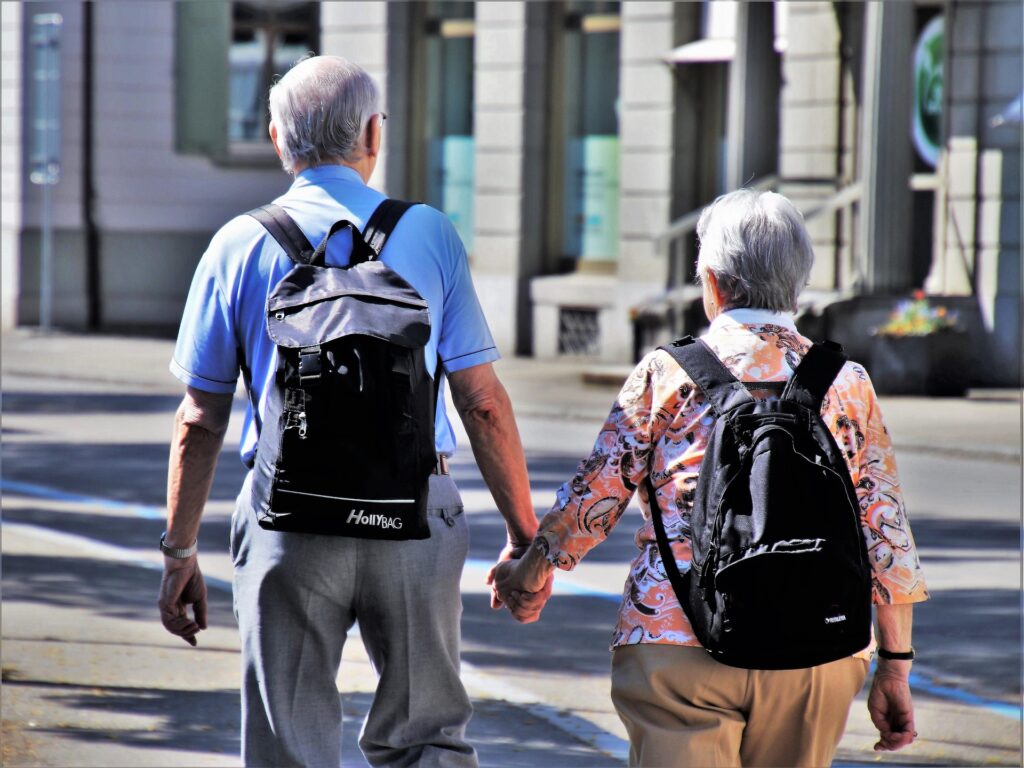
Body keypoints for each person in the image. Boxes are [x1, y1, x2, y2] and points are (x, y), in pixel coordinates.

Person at [158, 55, 544, 768]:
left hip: (288, 522)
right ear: (374, 133)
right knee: (426, 735)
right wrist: (527, 538)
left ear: (278, 139)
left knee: (288, 745)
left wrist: (180, 552)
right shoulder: (429, 234)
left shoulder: (236, 244)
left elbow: (200, 420)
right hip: (415, 514)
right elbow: (482, 402)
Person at [491, 189, 929, 767]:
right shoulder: (846, 381)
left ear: (714, 283)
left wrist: (530, 570)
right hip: (816, 650)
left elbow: (593, 500)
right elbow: (885, 531)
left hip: (677, 639)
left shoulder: (667, 373)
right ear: (797, 282)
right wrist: (894, 665)